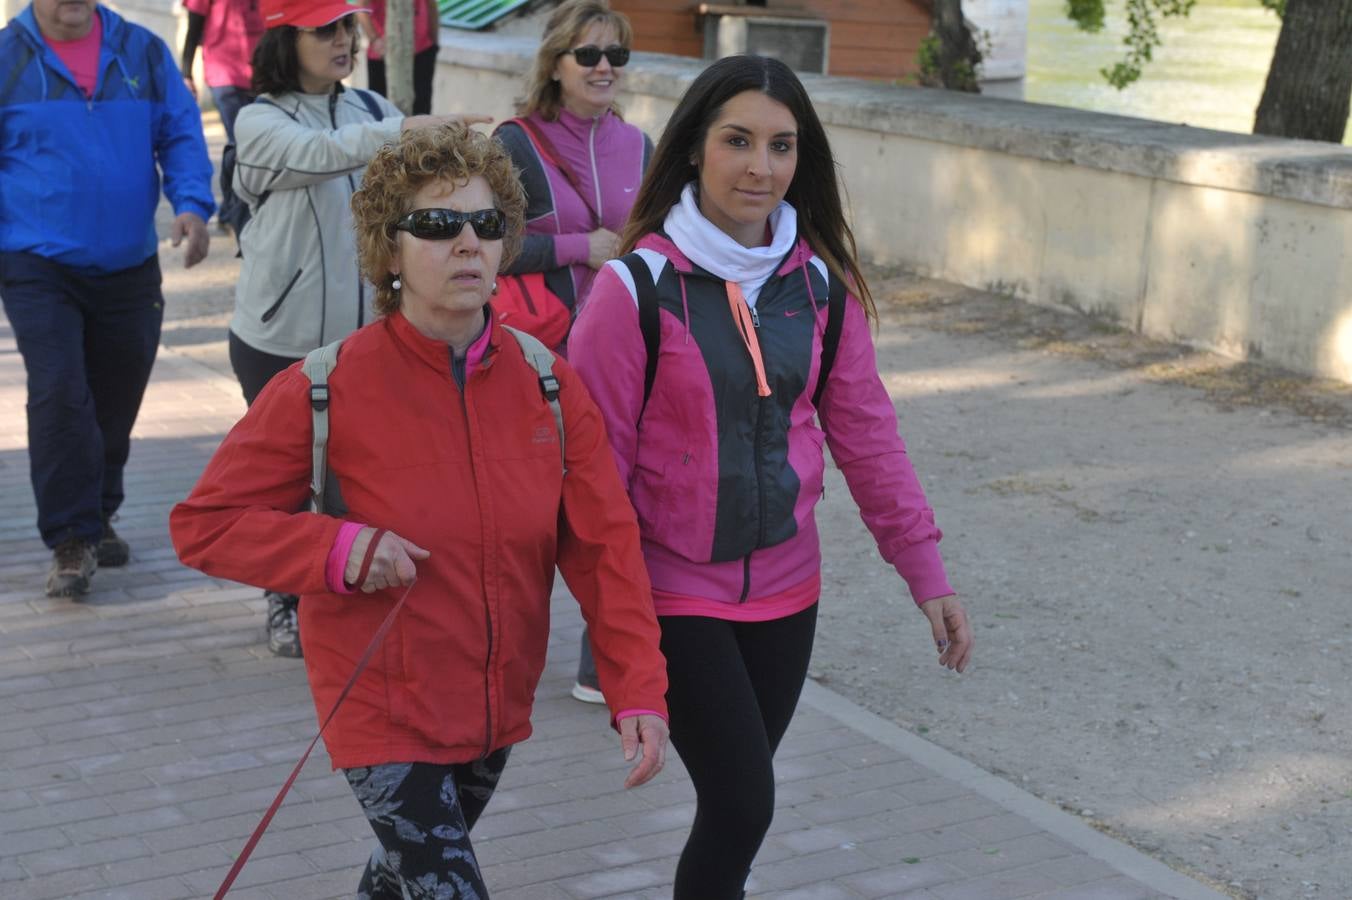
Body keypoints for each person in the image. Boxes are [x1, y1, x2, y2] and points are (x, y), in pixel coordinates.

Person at [170, 122, 670, 897]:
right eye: (438, 224)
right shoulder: (325, 385)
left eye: (487, 224)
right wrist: (338, 552)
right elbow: (203, 526)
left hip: (493, 704)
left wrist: (637, 685)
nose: (467, 243)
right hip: (380, 709)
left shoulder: (548, 382)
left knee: (400, 882)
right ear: (388, 252)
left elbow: (605, 547)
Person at [568, 55, 974, 899]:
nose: (761, 166)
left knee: (732, 816)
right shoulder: (631, 289)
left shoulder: (820, 284)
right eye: (738, 140)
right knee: (744, 803)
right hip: (674, 593)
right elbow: (590, 479)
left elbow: (869, 437)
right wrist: (618, 640)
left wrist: (924, 570)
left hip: (791, 591)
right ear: (692, 149)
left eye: (782, 146)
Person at [229, 0, 482, 656]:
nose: (343, 40)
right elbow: (320, 153)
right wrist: (407, 131)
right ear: (286, 39)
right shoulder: (259, 119)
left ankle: (356, 603)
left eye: (346, 26)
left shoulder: (371, 110)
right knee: (284, 488)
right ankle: (284, 603)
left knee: (360, 480)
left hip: (368, 343)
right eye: (324, 30)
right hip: (277, 340)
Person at [0, 0, 214, 598]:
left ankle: (97, 510)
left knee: (117, 392)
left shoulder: (142, 50)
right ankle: (71, 538)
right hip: (36, 262)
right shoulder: (7, 58)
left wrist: (193, 205)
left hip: (129, 261)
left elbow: (179, 130)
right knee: (61, 391)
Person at [495, 0, 650, 704]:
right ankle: (496, 650)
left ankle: (602, 663)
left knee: (615, 507)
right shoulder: (516, 143)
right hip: (538, 357)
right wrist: (575, 248)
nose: (604, 69)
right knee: (525, 514)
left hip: (620, 357)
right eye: (589, 55)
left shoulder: (640, 147)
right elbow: (481, 245)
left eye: (616, 56)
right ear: (556, 63)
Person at [180, 0, 265, 234]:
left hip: (263, 71)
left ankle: (236, 209)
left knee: (260, 144)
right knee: (240, 143)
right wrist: (186, 71)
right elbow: (194, 22)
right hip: (224, 70)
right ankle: (235, 213)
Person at [356, 0, 440, 115]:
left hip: (422, 49)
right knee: (379, 110)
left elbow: (431, 5)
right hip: (382, 54)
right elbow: (361, 9)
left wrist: (434, 43)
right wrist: (375, 39)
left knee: (421, 110)